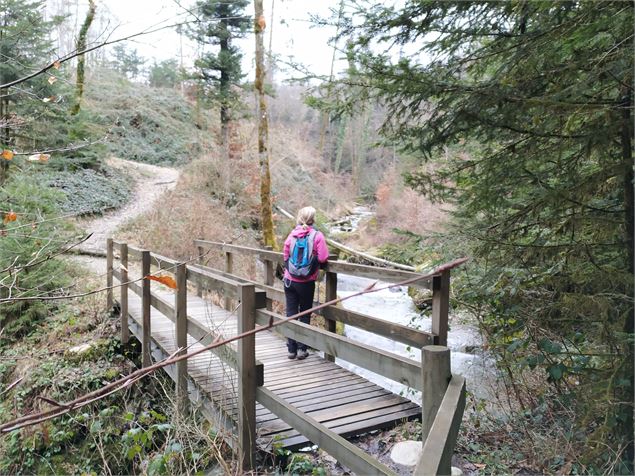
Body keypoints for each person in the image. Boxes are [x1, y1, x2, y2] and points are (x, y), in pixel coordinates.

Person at [283, 206, 329, 360]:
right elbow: (323, 258)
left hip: (289, 280)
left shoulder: (292, 234)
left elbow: (285, 254)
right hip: (306, 281)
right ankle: (302, 349)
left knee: (291, 313)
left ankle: (291, 349)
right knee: (304, 313)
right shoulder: (317, 236)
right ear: (313, 219)